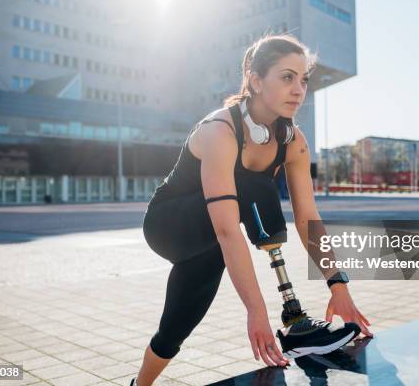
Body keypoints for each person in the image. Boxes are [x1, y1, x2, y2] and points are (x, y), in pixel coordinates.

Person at [132, 34, 372, 386]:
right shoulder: (221, 130)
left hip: (212, 240)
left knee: (175, 329)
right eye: (287, 77)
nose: (299, 89)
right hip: (170, 224)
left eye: (303, 79)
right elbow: (229, 229)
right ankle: (295, 321)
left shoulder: (294, 141)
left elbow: (308, 219)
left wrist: (339, 288)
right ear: (256, 80)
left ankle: (140, 384)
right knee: (251, 181)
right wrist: (256, 311)